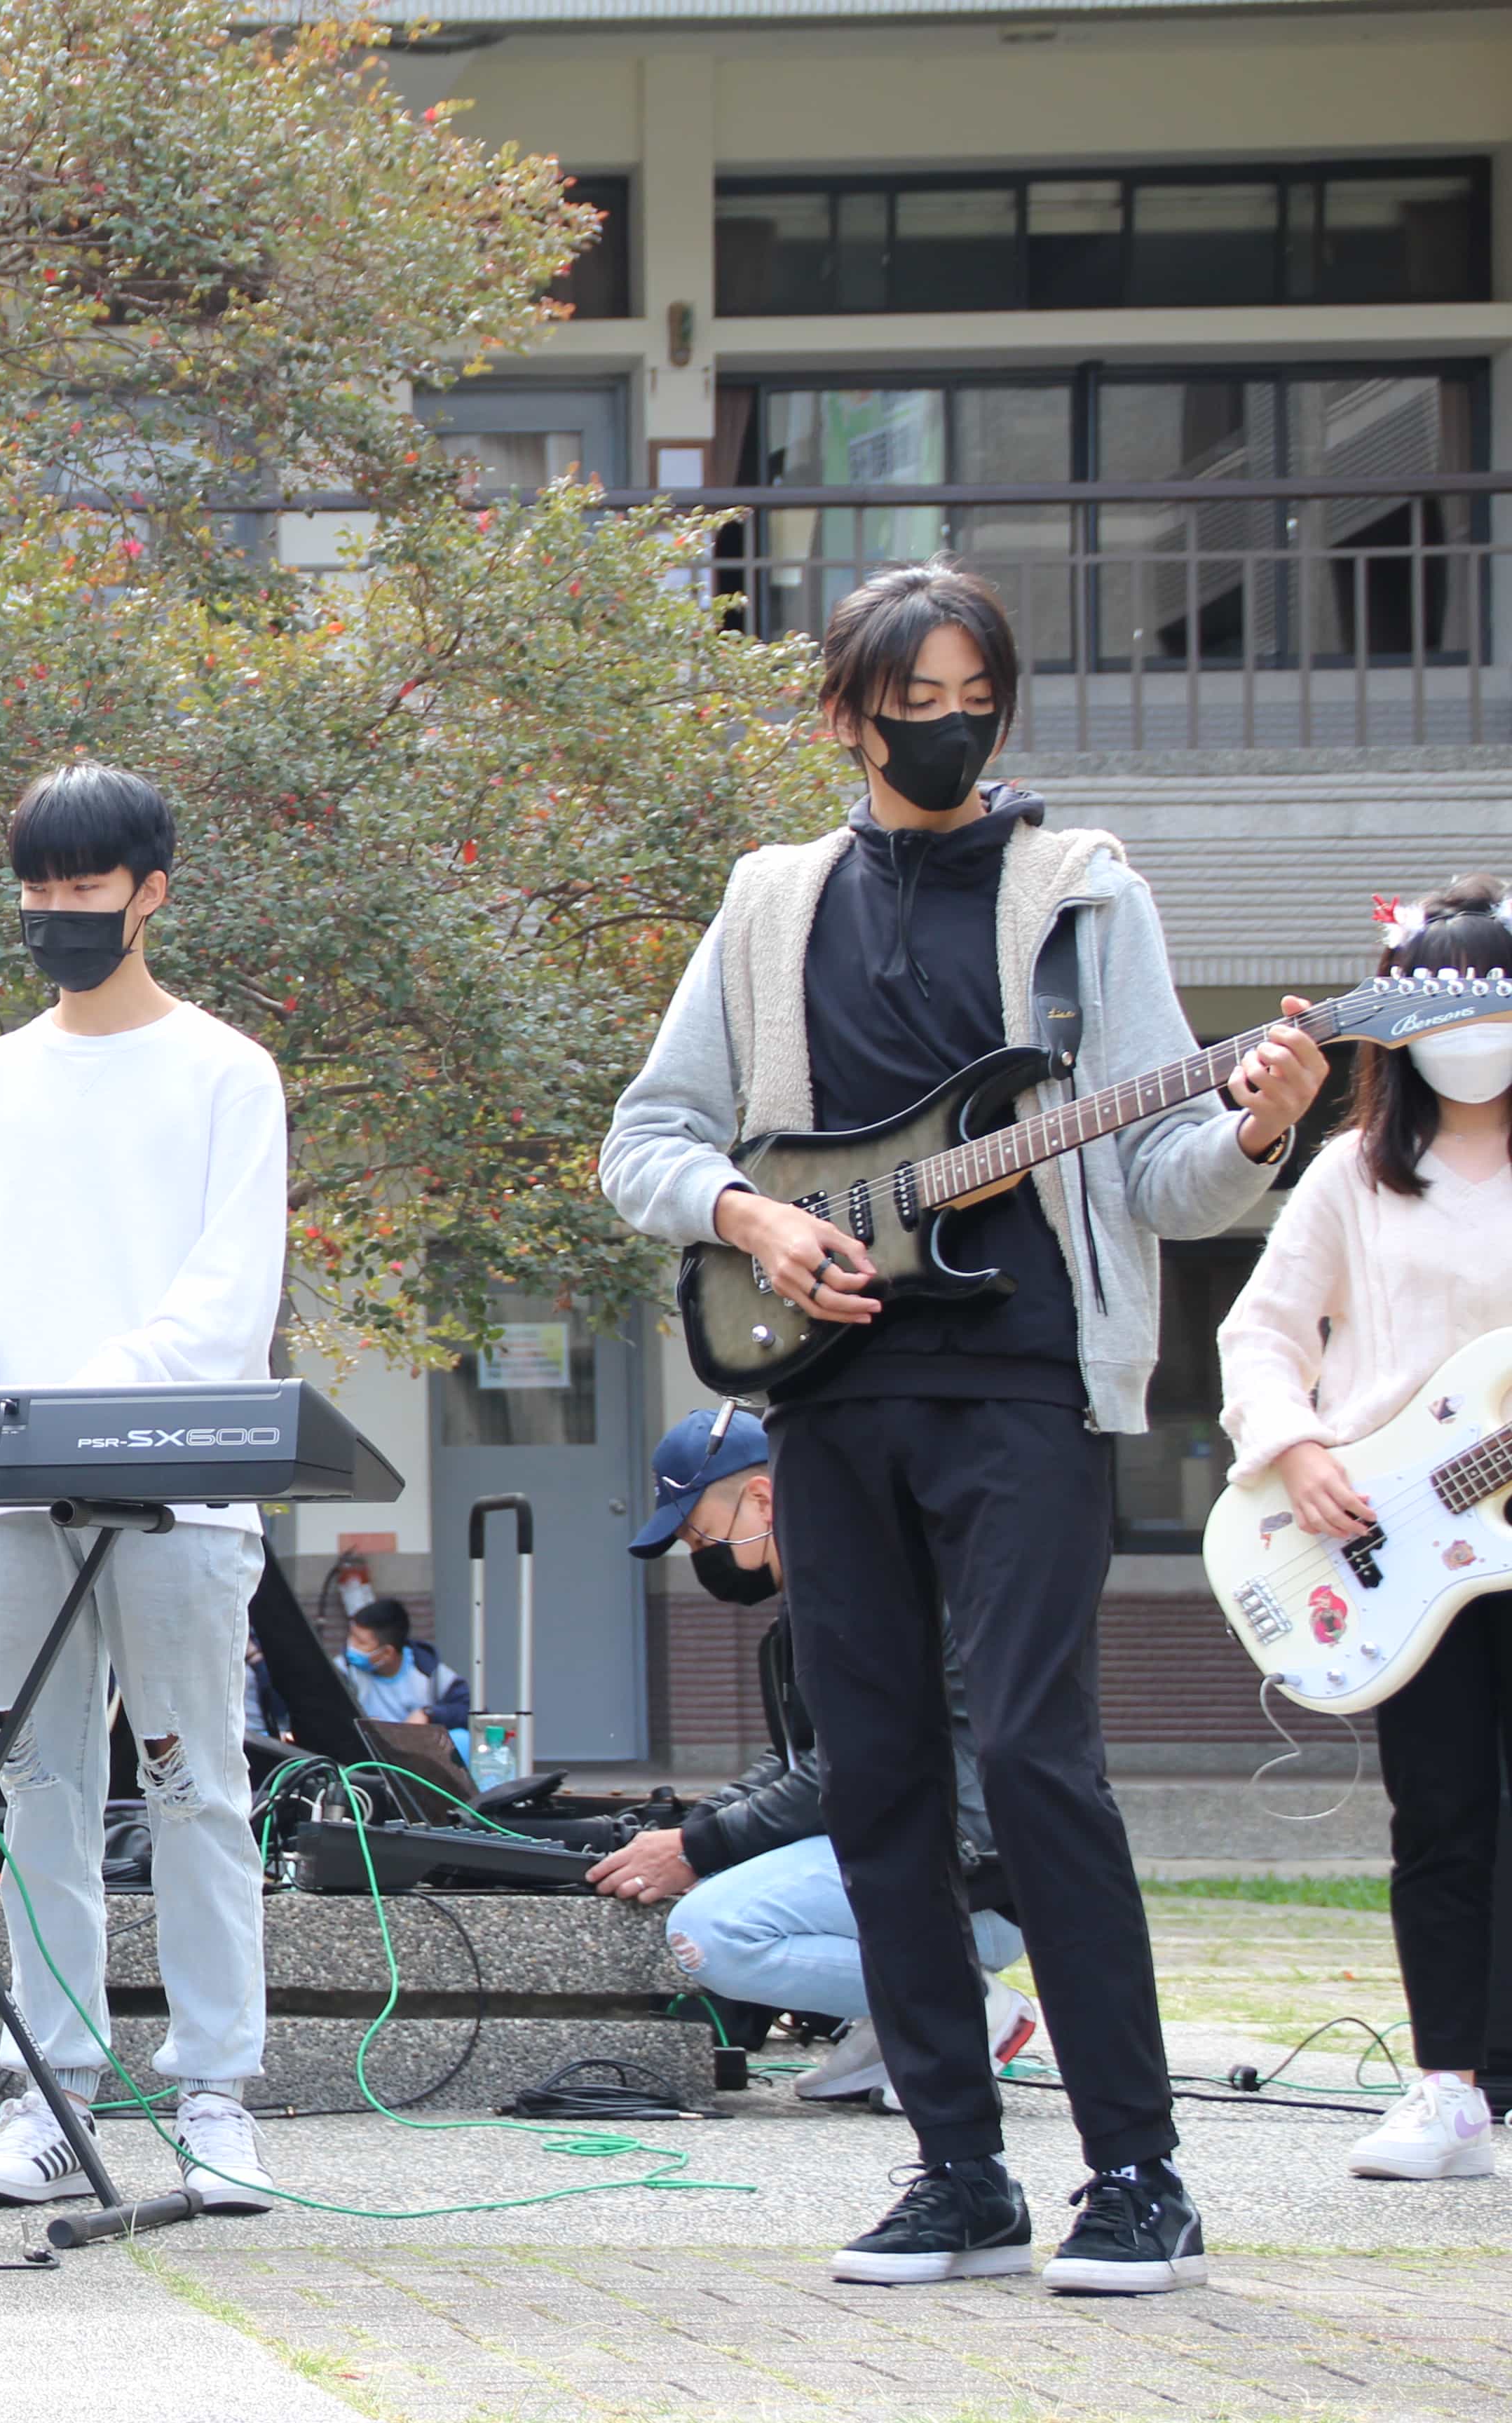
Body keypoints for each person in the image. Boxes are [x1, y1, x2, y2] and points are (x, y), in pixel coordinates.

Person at [601, 562, 1325, 2295]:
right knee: (879, 1783)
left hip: (1022, 1389)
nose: (947, 728)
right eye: (910, 701)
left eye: (973, 699)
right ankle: (956, 2173)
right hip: (827, 1394)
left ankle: (1138, 2175)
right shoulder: (769, 902)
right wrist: (754, 1220)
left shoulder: (1086, 900)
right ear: (845, 715)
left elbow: (1160, 1175)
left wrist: (1258, 1131)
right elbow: (646, 1140)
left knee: (1038, 1762)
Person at [0, 761, 290, 2214]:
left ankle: (214, 2099)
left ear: (150, 895)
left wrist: (85, 1398)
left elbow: (227, 1292)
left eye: (85, 888)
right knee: (41, 1793)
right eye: (38, 890)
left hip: (177, 1489)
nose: (57, 912)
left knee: (195, 1789)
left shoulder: (226, 1072)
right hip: (5, 1491)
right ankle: (49, 2096)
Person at [1217, 876, 1512, 2184]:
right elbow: (1261, 1334)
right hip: (1399, 1542)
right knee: (1438, 1811)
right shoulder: (1350, 1174)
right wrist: (1297, 1450)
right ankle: (1448, 2086)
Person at [593, 1404, 1034, 2101]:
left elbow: (853, 1766)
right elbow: (800, 1761)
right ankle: (903, 2025)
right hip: (944, 1860)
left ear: (762, 1499)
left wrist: (696, 1848)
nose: (700, 1554)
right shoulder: (832, 1585)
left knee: (714, 1931)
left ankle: (964, 2005)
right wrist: (692, 1826)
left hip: (966, 1872)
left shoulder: (867, 1586)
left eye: (700, 1533)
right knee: (719, 1888)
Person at [334, 1600, 472, 1750]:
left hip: (418, 1753)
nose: (351, 1646)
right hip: (364, 1752)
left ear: (387, 1653)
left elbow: (470, 1711)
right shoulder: (343, 1670)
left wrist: (429, 1714)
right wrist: (360, 1723)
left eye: (360, 1642)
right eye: (351, 1636)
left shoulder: (429, 1671)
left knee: (463, 1739)